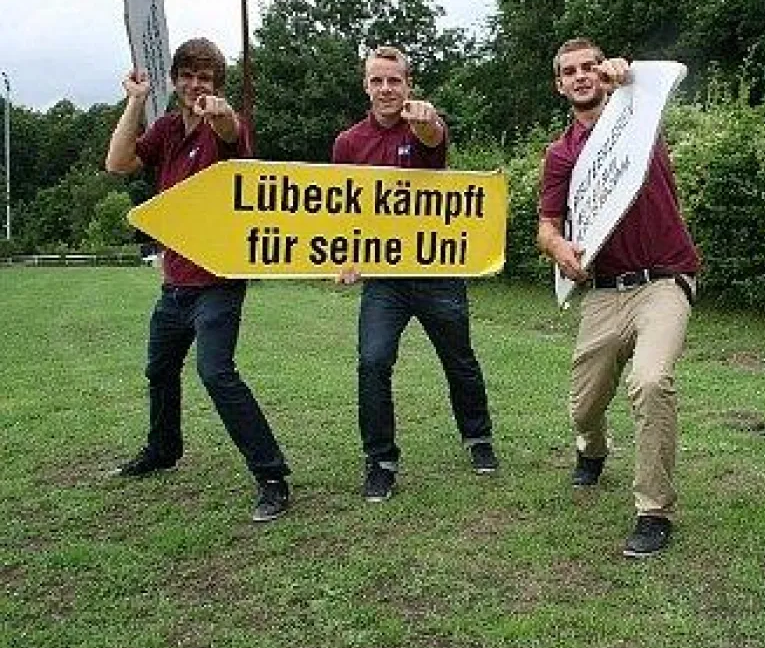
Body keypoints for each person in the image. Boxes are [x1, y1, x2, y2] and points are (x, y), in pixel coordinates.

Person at [105, 38, 291, 523]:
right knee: (159, 370)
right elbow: (117, 163)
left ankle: (272, 475)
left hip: (219, 282)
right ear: (174, 79)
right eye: (187, 76)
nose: (195, 86)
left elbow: (233, 129)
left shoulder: (225, 127)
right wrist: (136, 101)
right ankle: (163, 449)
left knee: (215, 372)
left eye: (205, 78)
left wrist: (221, 111)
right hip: (176, 284)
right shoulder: (166, 130)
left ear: (217, 84)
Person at [537, 38, 701, 558]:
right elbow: (547, 225)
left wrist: (625, 76)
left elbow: (642, 86)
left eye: (590, 67)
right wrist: (558, 246)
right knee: (584, 406)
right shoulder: (560, 154)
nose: (583, 76)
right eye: (571, 71)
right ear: (559, 84)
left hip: (664, 282)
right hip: (603, 293)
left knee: (651, 382)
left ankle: (653, 511)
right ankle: (592, 448)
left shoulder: (637, 117)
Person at [332, 46, 499, 502]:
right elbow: (344, 208)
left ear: (408, 84)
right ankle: (380, 461)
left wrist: (426, 122)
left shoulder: (424, 123)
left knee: (458, 357)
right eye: (377, 81)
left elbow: (433, 140)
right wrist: (346, 255)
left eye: (395, 81)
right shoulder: (348, 143)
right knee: (373, 361)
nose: (386, 89)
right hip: (383, 278)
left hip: (436, 269)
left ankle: (477, 437)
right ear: (365, 85)